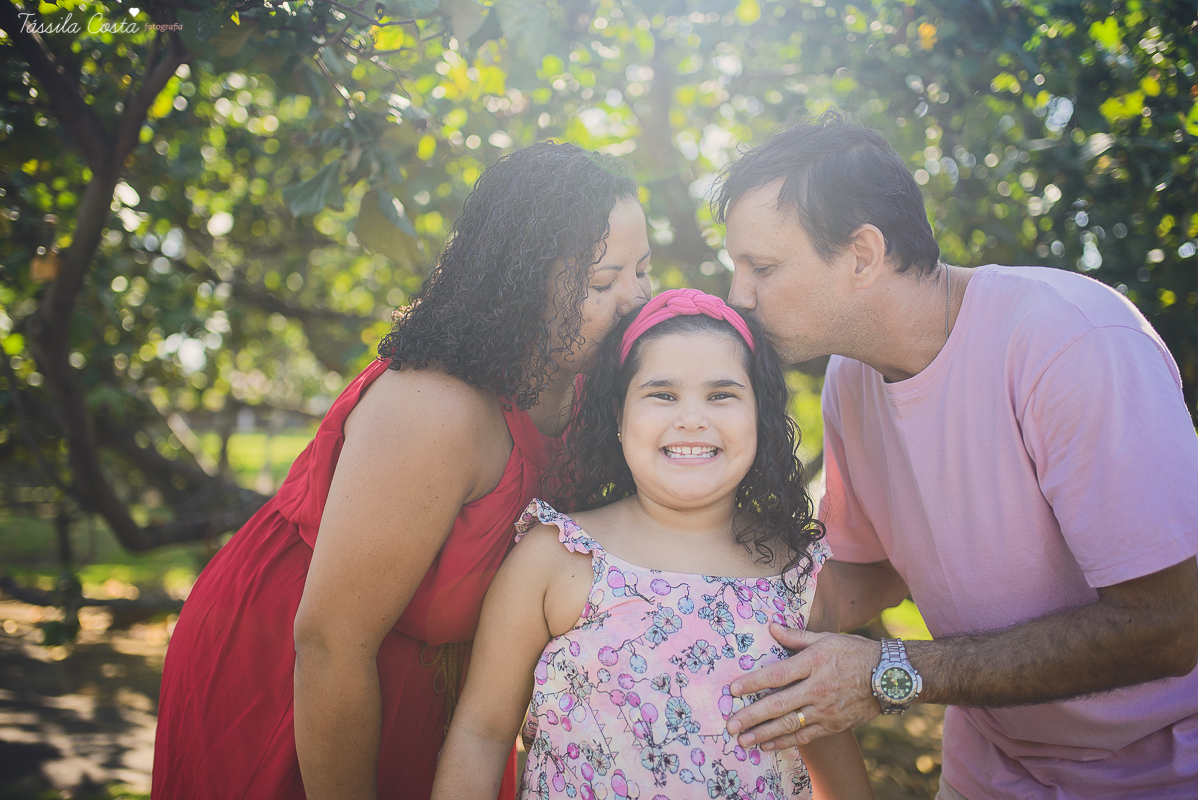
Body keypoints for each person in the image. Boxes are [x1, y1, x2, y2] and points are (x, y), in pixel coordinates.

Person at [709, 115, 1198, 798]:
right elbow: (868, 571)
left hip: (1158, 771)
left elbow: (1170, 625)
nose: (739, 295)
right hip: (994, 765)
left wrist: (889, 670)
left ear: (862, 254)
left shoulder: (1072, 345)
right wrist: (716, 607)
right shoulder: (853, 379)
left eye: (762, 267)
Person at [152, 142, 653, 800]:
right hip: (299, 671)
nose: (634, 299)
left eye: (643, 271)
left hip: (436, 678)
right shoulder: (434, 409)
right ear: (523, 284)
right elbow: (331, 641)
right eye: (601, 281)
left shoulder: (593, 388)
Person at [430, 289, 874, 800]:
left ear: (761, 416)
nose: (691, 419)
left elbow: (831, 753)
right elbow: (481, 734)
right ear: (619, 416)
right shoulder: (557, 556)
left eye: (721, 395)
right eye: (663, 394)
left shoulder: (798, 580)